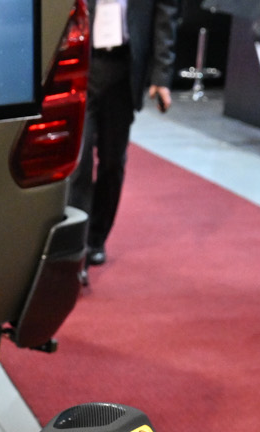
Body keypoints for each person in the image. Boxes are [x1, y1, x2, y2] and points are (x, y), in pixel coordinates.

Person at [69, 0, 180, 268]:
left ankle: (96, 239)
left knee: (112, 163)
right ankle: (76, 248)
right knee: (79, 163)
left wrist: (161, 76)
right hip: (81, 63)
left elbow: (166, 14)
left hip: (124, 69)